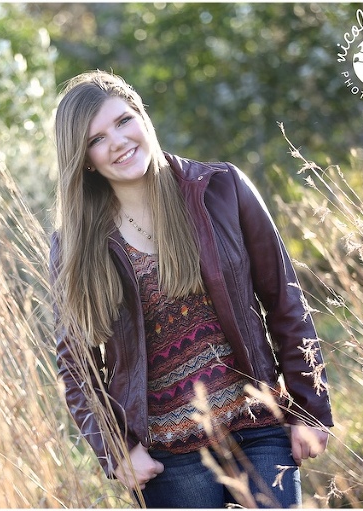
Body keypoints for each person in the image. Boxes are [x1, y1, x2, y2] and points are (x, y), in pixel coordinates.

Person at [49, 70, 333, 508]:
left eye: (124, 121)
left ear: (143, 118)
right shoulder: (76, 244)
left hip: (258, 424)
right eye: (96, 139)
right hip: (168, 455)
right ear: (84, 159)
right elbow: (77, 363)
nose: (119, 142)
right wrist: (117, 448)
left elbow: (285, 301)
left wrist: (310, 409)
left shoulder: (220, 189)